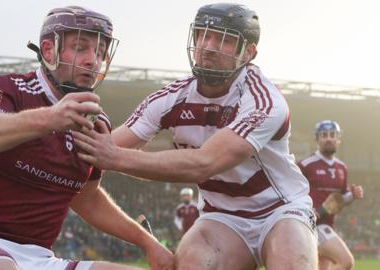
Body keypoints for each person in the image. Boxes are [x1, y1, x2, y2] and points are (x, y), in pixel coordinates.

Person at [73, 3, 318, 269]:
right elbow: (104, 148)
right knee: (191, 263)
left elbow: (205, 162)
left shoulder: (263, 100)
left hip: (279, 209)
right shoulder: (169, 98)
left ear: (248, 52)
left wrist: (113, 157)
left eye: (224, 39)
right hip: (222, 217)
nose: (208, 45)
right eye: (203, 35)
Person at [0, 6, 172, 270]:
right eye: (81, 47)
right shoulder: (10, 88)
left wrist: (148, 243)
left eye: (100, 52)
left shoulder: (97, 123)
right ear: (48, 50)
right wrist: (51, 118)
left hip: (40, 257)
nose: (92, 61)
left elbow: (87, 198)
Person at [298, 120, 364, 270]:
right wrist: (307, 210)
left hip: (328, 224)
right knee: (346, 261)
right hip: (312, 225)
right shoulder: (305, 164)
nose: (328, 138)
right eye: (324, 135)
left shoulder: (342, 167)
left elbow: (342, 198)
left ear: (338, 139)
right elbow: (290, 191)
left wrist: (352, 195)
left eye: (332, 135)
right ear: (317, 139)